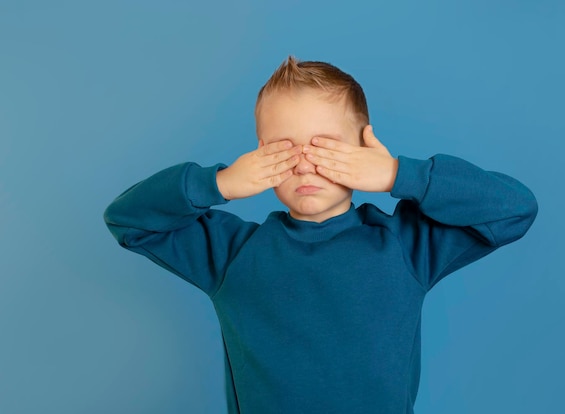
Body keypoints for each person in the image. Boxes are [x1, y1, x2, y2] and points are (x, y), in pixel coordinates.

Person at [104, 56, 538, 414]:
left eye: (325, 146)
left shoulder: (406, 244)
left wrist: (398, 174)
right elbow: (127, 219)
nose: (305, 164)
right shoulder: (230, 253)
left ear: (364, 149)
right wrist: (218, 184)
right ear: (259, 153)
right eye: (284, 148)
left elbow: (514, 209)